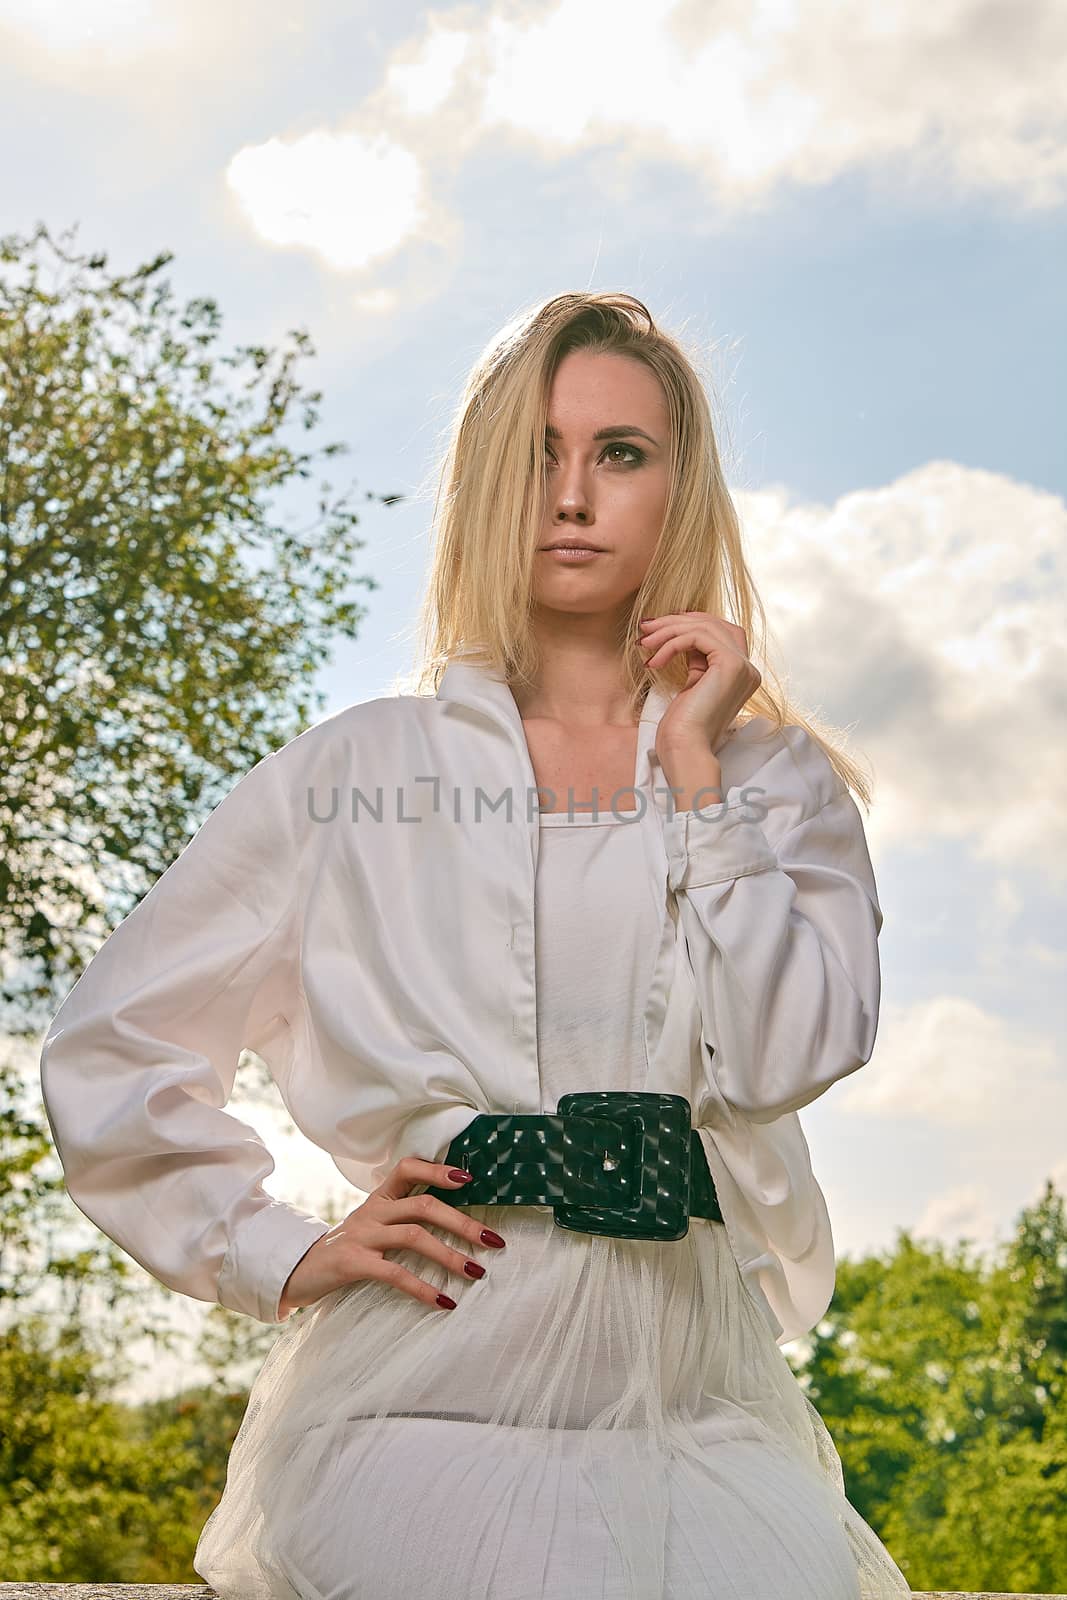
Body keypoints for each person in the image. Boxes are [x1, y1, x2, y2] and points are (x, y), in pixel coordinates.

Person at [39, 291, 913, 1599]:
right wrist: (275, 1246)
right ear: (487, 485)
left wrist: (695, 772)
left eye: (621, 452)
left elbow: (792, 1053)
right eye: (538, 453)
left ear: (681, 487)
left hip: (696, 1404)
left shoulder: (771, 779)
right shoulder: (351, 776)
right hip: (419, 1394)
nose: (573, 494)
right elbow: (113, 1056)